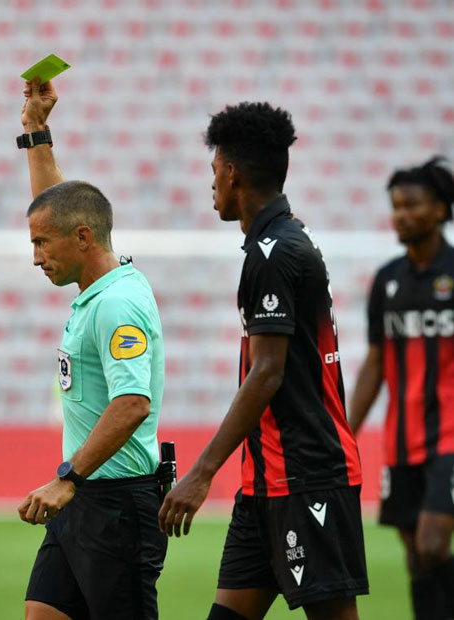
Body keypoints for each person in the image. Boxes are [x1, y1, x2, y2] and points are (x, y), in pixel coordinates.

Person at [157, 102, 368, 619]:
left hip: (306, 476)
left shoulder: (275, 253)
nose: (211, 185)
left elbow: (268, 371)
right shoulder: (286, 239)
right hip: (265, 483)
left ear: (231, 173)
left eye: (213, 172)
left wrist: (202, 471)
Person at [17, 79, 167, 620]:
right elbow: (56, 204)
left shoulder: (116, 306)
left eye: (41, 244)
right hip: (84, 496)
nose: (36, 257)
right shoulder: (96, 284)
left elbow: (132, 403)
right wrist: (36, 134)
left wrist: (67, 479)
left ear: (82, 239)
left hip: (116, 503)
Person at [349, 157, 454, 619]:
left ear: (439, 211)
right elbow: (376, 360)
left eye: (412, 205)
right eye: (396, 206)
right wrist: (345, 428)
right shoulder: (388, 280)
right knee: (415, 557)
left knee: (433, 544)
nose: (402, 215)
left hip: (450, 435)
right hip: (401, 438)